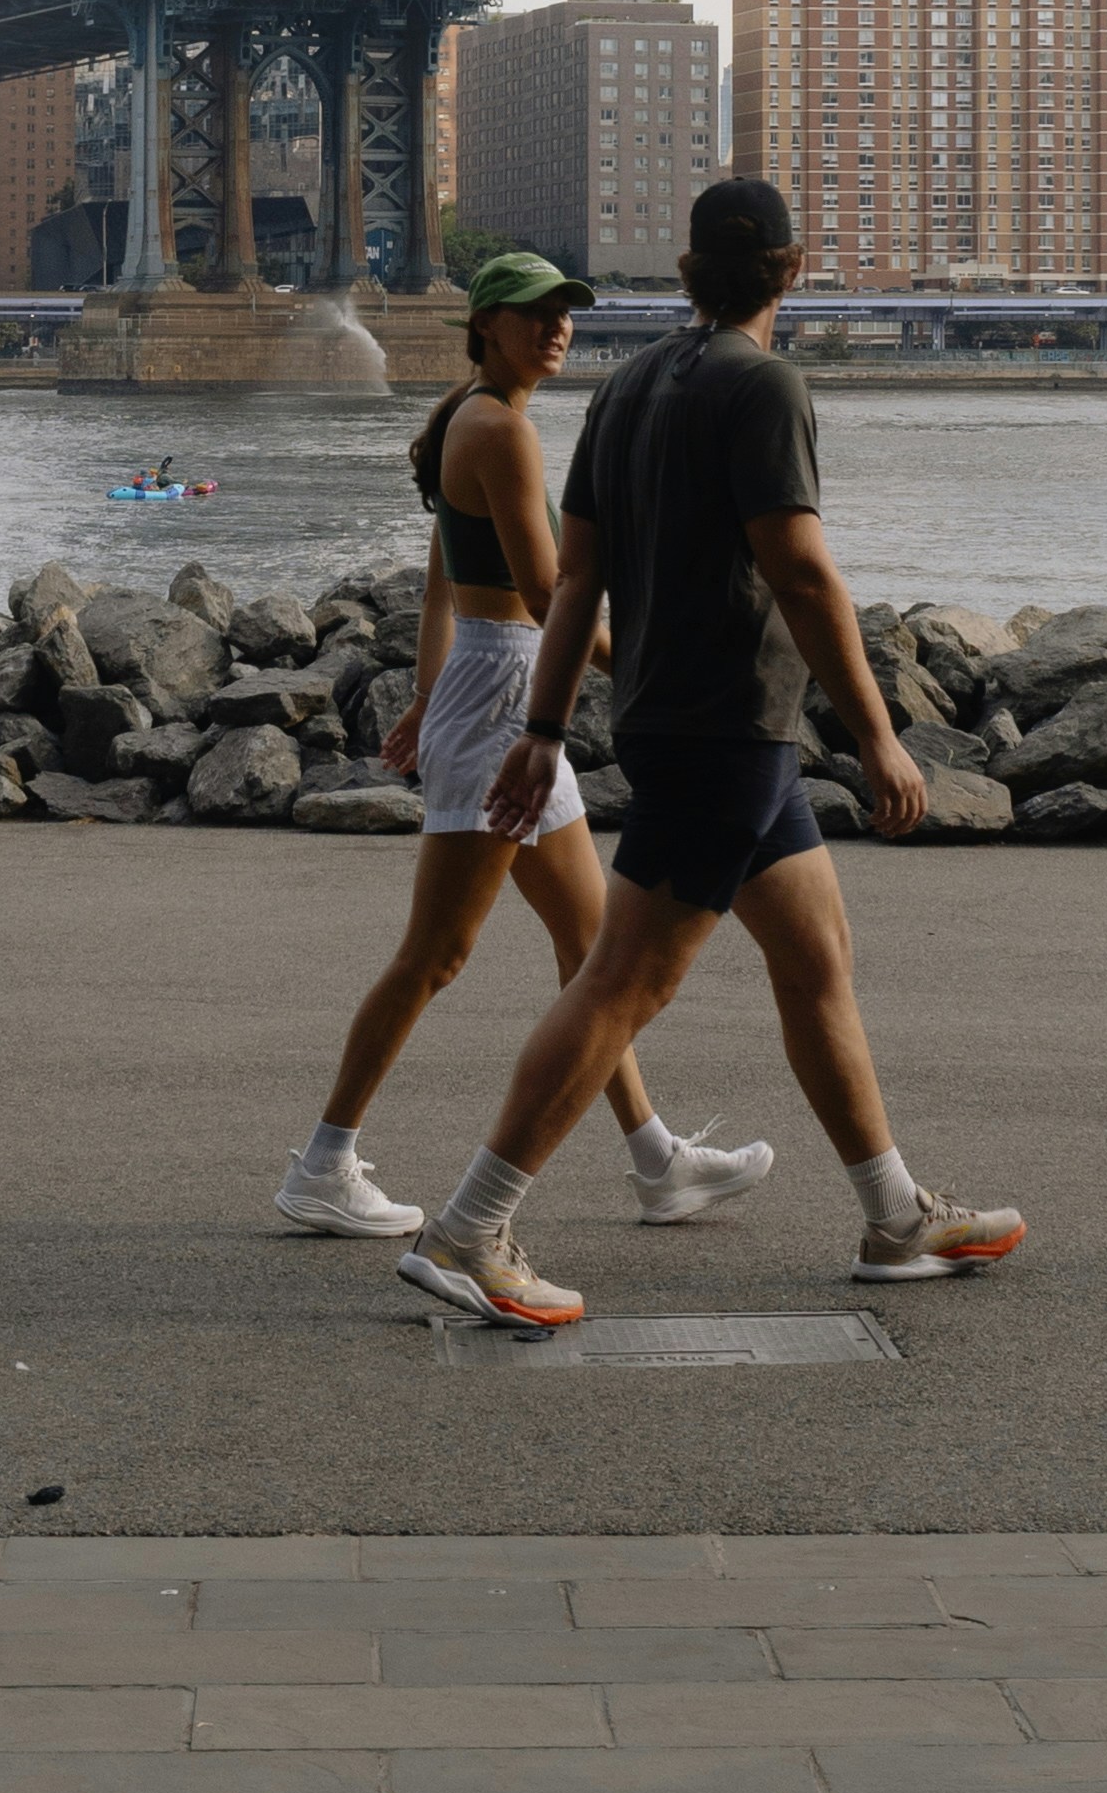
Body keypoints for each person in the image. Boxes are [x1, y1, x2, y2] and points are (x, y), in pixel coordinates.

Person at [401, 168, 1028, 1335]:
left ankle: (895, 1218)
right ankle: (469, 1229)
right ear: (789, 272)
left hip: (677, 716)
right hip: (722, 720)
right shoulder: (763, 385)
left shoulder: (627, 385)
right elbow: (797, 569)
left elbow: (577, 575)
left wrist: (544, 731)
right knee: (623, 980)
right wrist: (883, 736)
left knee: (815, 956)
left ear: (688, 272)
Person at [275, 249, 775, 1244]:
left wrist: (428, 698)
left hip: (491, 689)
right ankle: (323, 1163)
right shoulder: (498, 429)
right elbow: (551, 594)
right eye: (533, 314)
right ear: (485, 326)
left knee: (592, 953)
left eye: (565, 314)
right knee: (436, 954)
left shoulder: (475, 419)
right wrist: (638, 668)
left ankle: (656, 1163)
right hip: (506, 695)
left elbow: (439, 587)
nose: (556, 329)